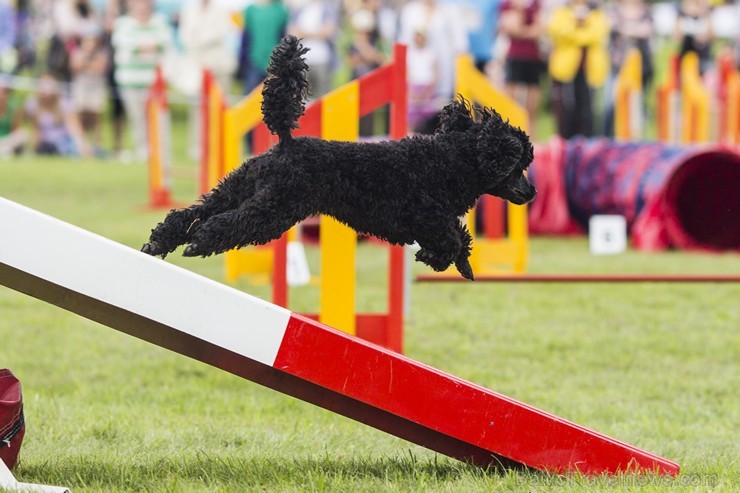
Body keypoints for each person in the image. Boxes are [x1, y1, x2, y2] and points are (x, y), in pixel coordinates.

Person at [112, 0, 172, 161]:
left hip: (153, 81)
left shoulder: (159, 21)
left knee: (155, 117)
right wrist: (147, 46)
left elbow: (164, 42)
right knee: (136, 117)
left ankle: (158, 149)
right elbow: (125, 45)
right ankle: (142, 149)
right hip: (129, 80)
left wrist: (143, 46)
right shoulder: (123, 23)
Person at [180, 0, 237, 160]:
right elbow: (185, 36)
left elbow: (218, 34)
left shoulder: (221, 11)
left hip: (219, 65)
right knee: (197, 108)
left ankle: (220, 145)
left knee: (220, 107)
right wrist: (196, 41)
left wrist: (198, 39)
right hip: (197, 66)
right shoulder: (189, 10)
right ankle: (197, 146)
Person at [547, 0, 609, 139]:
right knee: (566, 111)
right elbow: (557, 31)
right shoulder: (562, 11)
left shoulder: (597, 12)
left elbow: (597, 35)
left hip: (589, 71)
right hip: (565, 71)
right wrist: (579, 24)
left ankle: (586, 146)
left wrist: (575, 32)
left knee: (588, 111)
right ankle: (566, 145)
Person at [398, 0, 468, 102]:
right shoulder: (409, 11)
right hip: (417, 78)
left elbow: (461, 45)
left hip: (444, 76)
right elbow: (404, 44)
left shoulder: (450, 9)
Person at [603, 0, 653, 137]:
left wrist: (626, 28)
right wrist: (635, 29)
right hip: (617, 66)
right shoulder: (615, 10)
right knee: (610, 104)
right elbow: (612, 26)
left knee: (636, 108)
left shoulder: (645, 10)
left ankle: (635, 141)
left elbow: (647, 31)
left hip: (639, 69)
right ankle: (608, 138)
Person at [500, 0, 544, 140]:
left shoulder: (536, 3)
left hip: (533, 58)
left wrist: (522, 32)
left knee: (531, 109)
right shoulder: (508, 4)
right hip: (515, 57)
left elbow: (538, 30)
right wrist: (520, 13)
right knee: (509, 106)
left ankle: (533, 142)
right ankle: (508, 140)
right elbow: (512, 29)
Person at [24, 73, 91, 157]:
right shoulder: (33, 104)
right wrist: (33, 149)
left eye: (49, 85)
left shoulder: (64, 103)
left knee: (73, 149)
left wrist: (82, 145)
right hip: (45, 145)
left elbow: (74, 127)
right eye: (44, 85)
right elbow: (35, 130)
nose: (46, 89)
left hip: (64, 143)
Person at [288, 0, 341, 99]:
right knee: (301, 99)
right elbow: (292, 33)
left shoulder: (328, 8)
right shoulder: (300, 8)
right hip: (301, 61)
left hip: (322, 60)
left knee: (323, 98)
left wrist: (304, 33)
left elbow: (328, 32)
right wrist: (317, 32)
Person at [69, 24, 108, 152]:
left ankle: (97, 146)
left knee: (95, 117)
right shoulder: (77, 52)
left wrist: (86, 64)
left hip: (95, 88)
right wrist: (89, 63)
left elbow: (100, 68)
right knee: (80, 116)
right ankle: (82, 146)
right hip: (81, 88)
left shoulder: (102, 53)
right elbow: (75, 66)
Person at [239, 0, 289, 94]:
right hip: (253, 60)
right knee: (250, 96)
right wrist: (242, 62)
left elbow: (283, 36)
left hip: (274, 61)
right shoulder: (250, 10)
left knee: (274, 96)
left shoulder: (280, 9)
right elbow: (246, 37)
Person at [407, 27, 439, 133]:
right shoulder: (410, 53)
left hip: (427, 88)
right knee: (410, 115)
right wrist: (412, 92)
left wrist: (427, 93)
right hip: (413, 88)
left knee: (428, 115)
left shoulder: (431, 53)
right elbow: (407, 74)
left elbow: (435, 74)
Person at [674, 0, 714, 75]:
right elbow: (676, 37)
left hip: (702, 56)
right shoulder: (682, 16)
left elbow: (711, 35)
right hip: (687, 56)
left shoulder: (706, 16)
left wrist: (702, 37)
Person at [0, 81, 26, 156]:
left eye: (3, 93)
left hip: (7, 140)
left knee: (23, 135)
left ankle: (4, 150)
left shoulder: (13, 109)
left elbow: (16, 130)